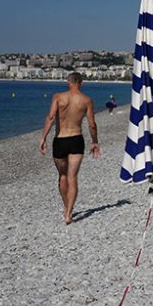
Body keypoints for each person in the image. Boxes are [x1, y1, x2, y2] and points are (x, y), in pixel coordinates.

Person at [39, 72, 99, 224]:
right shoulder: (86, 100)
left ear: (68, 82)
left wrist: (43, 138)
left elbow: (51, 117)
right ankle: (68, 213)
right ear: (81, 82)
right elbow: (92, 124)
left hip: (60, 140)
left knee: (63, 176)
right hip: (76, 140)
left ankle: (67, 208)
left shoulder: (58, 97)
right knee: (72, 177)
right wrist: (95, 142)